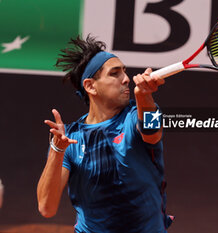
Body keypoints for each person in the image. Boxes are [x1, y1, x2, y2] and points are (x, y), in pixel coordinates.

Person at [37, 35, 173, 233]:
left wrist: (145, 96)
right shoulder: (70, 138)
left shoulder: (137, 115)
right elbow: (46, 208)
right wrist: (57, 150)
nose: (126, 79)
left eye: (124, 72)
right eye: (115, 74)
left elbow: (152, 133)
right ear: (90, 86)